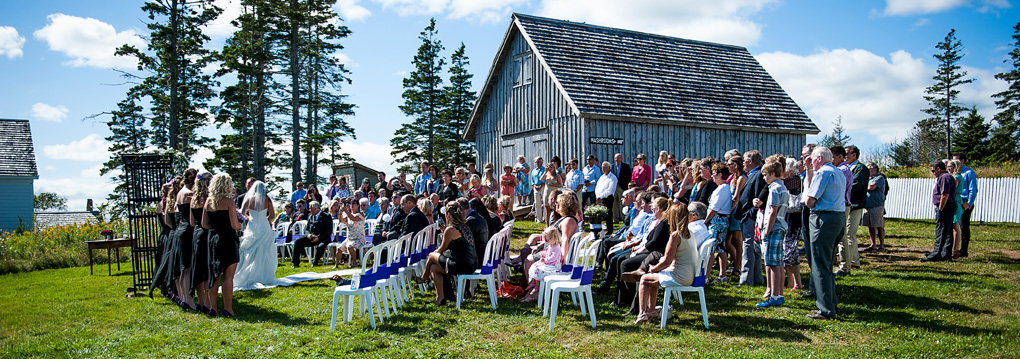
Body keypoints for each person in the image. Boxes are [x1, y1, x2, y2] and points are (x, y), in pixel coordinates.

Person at [633, 204, 698, 324]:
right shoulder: (689, 233)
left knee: (644, 279)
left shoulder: (675, 235)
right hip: (690, 274)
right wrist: (656, 269)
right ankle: (651, 310)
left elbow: (667, 261)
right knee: (652, 278)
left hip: (681, 276)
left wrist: (654, 269)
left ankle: (642, 314)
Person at [803, 146, 847, 320]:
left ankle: (825, 309)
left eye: (813, 159)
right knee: (827, 264)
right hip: (838, 218)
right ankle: (830, 303)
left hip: (823, 219)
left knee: (820, 264)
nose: (812, 162)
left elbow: (810, 200)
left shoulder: (822, 174)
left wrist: (810, 174)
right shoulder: (839, 173)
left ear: (819, 158)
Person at [414, 202, 478, 305]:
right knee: (434, 268)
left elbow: (441, 250)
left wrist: (434, 254)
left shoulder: (451, 229)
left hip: (461, 264)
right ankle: (440, 298)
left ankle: (424, 277)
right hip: (471, 263)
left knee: (431, 256)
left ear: (448, 214)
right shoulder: (464, 226)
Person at [203, 173, 243, 318]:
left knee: (214, 274)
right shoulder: (229, 201)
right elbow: (234, 224)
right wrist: (241, 224)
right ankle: (228, 308)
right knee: (228, 276)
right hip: (227, 238)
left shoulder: (208, 201)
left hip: (213, 239)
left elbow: (204, 224)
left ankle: (213, 308)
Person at [756, 156, 790, 308]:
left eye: (765, 174)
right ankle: (779, 294)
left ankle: (775, 295)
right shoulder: (781, 186)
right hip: (780, 225)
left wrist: (766, 231)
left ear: (772, 173)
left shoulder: (775, 188)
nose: (764, 178)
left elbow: (773, 211)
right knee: (778, 261)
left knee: (772, 262)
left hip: (774, 227)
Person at [233, 180, 279, 290]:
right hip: (264, 227)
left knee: (250, 251)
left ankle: (248, 274)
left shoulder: (249, 199)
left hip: (252, 226)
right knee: (264, 251)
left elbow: (242, 213)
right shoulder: (267, 200)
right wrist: (265, 219)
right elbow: (272, 215)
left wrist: (250, 218)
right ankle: (264, 275)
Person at [736, 150, 766, 286]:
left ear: (750, 161)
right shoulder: (753, 174)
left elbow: (758, 195)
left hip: (751, 216)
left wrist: (751, 214)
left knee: (748, 246)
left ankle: (746, 279)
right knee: (753, 247)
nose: (742, 163)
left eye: (744, 161)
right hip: (748, 215)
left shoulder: (758, 174)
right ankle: (757, 278)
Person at [170, 169, 198, 311]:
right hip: (188, 230)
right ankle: (188, 299)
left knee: (182, 269)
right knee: (187, 268)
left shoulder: (180, 192)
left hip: (180, 230)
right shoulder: (189, 194)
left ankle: (182, 296)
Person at [836, 145, 867, 276]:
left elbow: (856, 186)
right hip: (847, 205)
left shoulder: (861, 168)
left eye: (847, 153)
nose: (845, 156)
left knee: (849, 234)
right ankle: (850, 260)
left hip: (855, 205)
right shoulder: (848, 168)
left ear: (854, 155)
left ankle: (853, 261)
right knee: (846, 234)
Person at [188, 172, 213, 314]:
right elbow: (206, 221)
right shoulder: (207, 199)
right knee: (207, 269)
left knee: (198, 267)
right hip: (206, 233)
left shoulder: (193, 199)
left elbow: (192, 222)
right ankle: (209, 303)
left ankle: (201, 301)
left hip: (196, 233)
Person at [924, 160, 956, 262]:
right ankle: (945, 254)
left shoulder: (944, 177)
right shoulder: (944, 177)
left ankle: (937, 254)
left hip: (946, 207)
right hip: (948, 207)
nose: (933, 173)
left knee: (941, 230)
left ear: (939, 169)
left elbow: (944, 194)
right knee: (947, 231)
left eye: (933, 170)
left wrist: (941, 209)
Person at [705, 163, 731, 283]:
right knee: (720, 248)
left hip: (717, 220)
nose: (713, 177)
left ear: (720, 175)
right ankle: (722, 274)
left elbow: (714, 208)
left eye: (714, 174)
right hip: (721, 219)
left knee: (711, 249)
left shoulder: (722, 189)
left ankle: (706, 276)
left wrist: (706, 220)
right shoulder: (723, 188)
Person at [781, 158, 805, 291]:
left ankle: (798, 282)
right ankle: (791, 281)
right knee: (786, 252)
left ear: (789, 170)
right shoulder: (786, 181)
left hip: (793, 220)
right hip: (786, 218)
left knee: (791, 252)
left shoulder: (795, 180)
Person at [522, 227, 563, 302]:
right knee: (534, 266)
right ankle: (533, 282)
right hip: (550, 264)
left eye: (547, 240)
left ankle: (537, 286)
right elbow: (549, 253)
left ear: (553, 238)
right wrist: (543, 254)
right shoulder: (551, 245)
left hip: (554, 266)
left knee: (539, 269)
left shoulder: (556, 247)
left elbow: (553, 257)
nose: (546, 242)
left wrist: (545, 260)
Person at [291, 201, 333, 268]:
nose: (309, 210)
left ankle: (315, 262)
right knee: (298, 242)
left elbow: (328, 231)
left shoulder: (326, 216)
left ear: (315, 208)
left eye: (310, 208)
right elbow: (306, 229)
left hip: (323, 238)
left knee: (321, 246)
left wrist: (318, 238)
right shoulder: (310, 216)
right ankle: (295, 263)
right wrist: (308, 235)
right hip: (312, 237)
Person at [725, 156, 747, 274]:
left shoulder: (741, 178)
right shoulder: (732, 178)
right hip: (730, 209)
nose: (728, 166)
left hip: (735, 211)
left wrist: (728, 212)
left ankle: (738, 267)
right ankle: (735, 262)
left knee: (738, 241)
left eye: (730, 164)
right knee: (726, 241)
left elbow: (736, 197)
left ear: (736, 165)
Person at [953, 153, 977, 257]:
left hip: (965, 201)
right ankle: (954, 248)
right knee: (955, 225)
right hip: (957, 201)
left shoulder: (969, 172)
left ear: (962, 161)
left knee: (963, 225)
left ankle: (964, 250)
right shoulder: (955, 173)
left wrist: (969, 203)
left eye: (957, 160)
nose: (955, 163)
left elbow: (973, 189)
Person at [334, 198, 368, 267]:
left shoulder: (360, 215)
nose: (351, 205)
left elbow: (353, 218)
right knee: (339, 248)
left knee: (350, 246)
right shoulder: (349, 215)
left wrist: (346, 211)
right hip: (349, 238)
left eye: (353, 203)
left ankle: (354, 263)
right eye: (350, 204)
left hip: (359, 238)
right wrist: (341, 211)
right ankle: (336, 264)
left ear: (358, 205)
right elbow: (342, 220)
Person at [862, 162, 887, 252]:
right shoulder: (868, 178)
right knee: (870, 226)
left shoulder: (879, 178)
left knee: (879, 225)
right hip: (868, 205)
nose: (867, 171)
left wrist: (862, 185)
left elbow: (871, 187)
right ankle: (873, 244)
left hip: (877, 205)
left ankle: (882, 245)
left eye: (869, 169)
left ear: (875, 169)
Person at [595, 161, 619, 234]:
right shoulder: (602, 177)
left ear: (609, 168)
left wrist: (601, 196)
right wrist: (597, 196)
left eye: (605, 167)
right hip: (599, 198)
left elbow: (610, 190)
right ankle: (598, 230)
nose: (603, 169)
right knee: (600, 215)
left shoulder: (613, 177)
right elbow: (597, 187)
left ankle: (610, 230)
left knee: (608, 215)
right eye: (602, 167)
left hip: (608, 198)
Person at [613, 153, 633, 223]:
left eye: (618, 158)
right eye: (616, 158)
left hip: (622, 187)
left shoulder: (626, 166)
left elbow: (628, 177)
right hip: (614, 187)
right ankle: (615, 219)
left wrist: (627, 187)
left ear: (621, 158)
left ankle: (624, 218)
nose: (617, 159)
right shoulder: (612, 167)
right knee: (614, 203)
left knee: (622, 203)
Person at [531, 156, 547, 223]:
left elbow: (546, 178)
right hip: (536, 187)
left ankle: (545, 218)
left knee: (544, 202)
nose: (537, 163)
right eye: (536, 162)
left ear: (542, 162)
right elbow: (532, 179)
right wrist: (534, 185)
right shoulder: (534, 170)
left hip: (543, 186)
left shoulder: (544, 169)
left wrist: (541, 185)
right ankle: (539, 218)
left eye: (538, 162)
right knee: (537, 203)